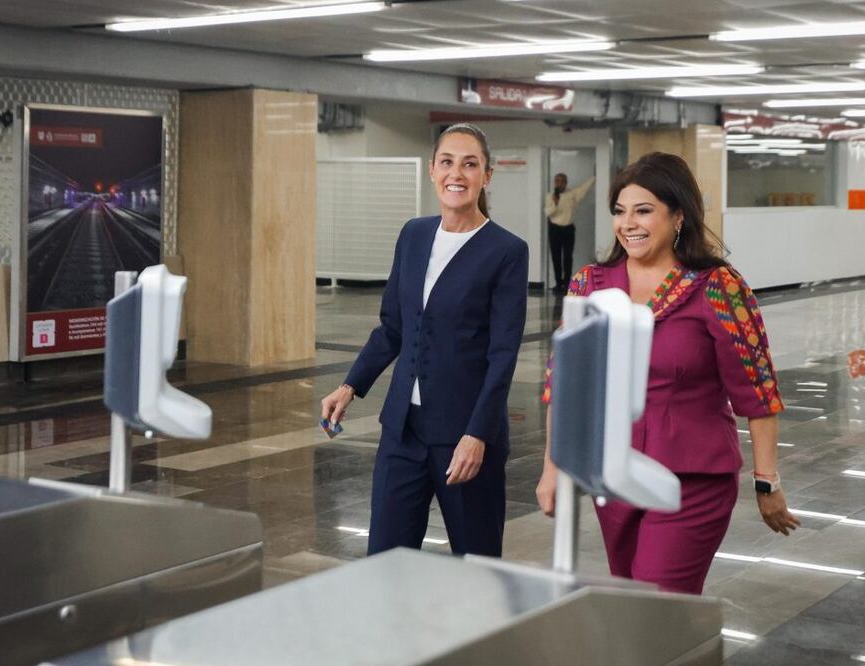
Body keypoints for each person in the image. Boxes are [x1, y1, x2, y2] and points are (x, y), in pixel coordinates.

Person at [535, 152, 799, 595]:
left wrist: (767, 479)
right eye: (620, 212)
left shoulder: (718, 286)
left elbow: (757, 390)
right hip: (614, 475)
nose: (628, 223)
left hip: (691, 479)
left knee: (658, 601)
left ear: (678, 216)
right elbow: (562, 385)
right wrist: (552, 469)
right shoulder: (589, 284)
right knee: (635, 607)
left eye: (643, 211)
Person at [321, 123, 528, 557]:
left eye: (470, 164)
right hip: (403, 431)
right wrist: (350, 385)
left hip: (465, 435)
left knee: (477, 565)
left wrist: (478, 435)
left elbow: (502, 355)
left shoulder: (506, 251)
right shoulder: (414, 235)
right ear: (432, 170)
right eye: (448, 162)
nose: (458, 173)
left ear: (486, 176)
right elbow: (392, 326)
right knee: (386, 560)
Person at [546, 172, 595, 295]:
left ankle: (567, 284)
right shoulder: (550, 196)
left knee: (567, 257)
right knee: (556, 257)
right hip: (554, 229)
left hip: (568, 229)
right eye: (557, 181)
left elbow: (584, 188)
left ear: (566, 183)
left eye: (562, 181)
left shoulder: (573, 194)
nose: (559, 183)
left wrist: (594, 176)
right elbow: (549, 212)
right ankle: (558, 283)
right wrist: (555, 203)